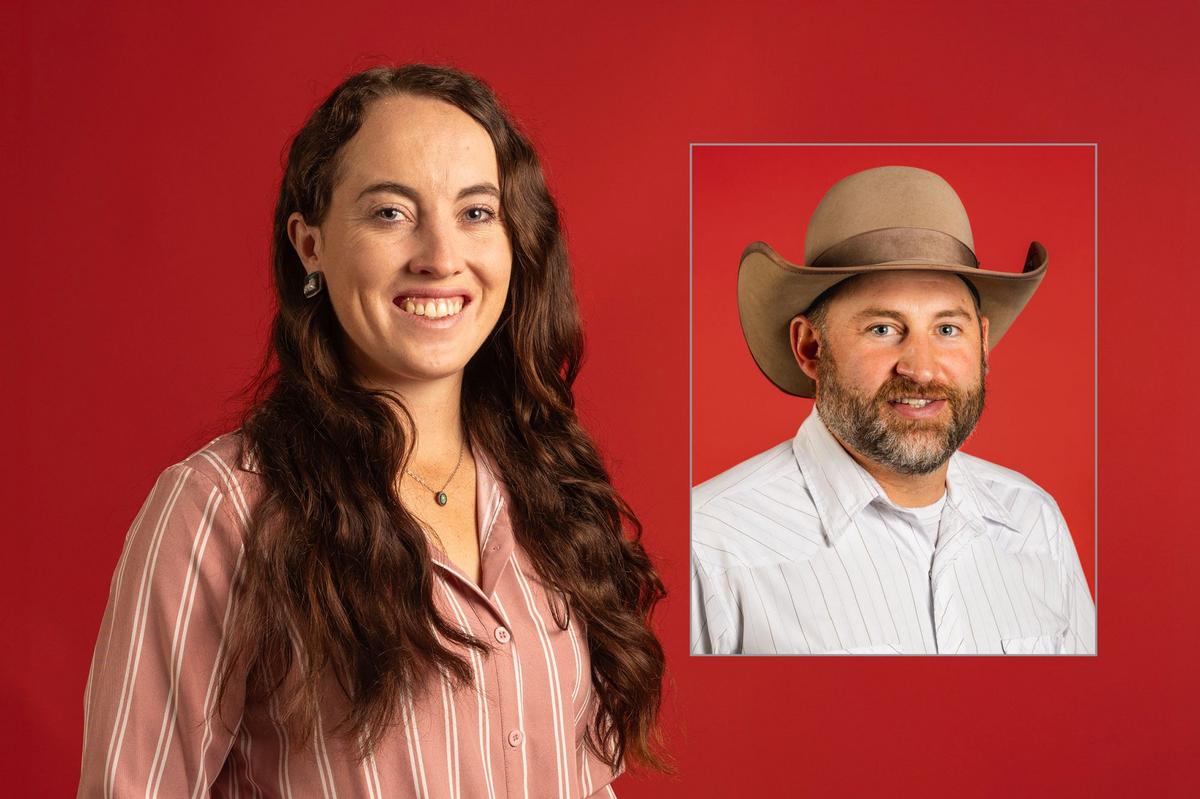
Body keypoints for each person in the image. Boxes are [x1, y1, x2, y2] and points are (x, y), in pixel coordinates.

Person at [79, 65, 666, 797]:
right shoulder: (220, 509)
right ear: (310, 244)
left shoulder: (552, 494)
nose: (440, 255)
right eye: (391, 212)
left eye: (476, 212)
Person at [690, 165, 1095, 656]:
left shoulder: (1035, 522)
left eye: (947, 329)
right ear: (810, 347)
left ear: (983, 343)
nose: (922, 370)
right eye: (882, 328)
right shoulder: (710, 544)